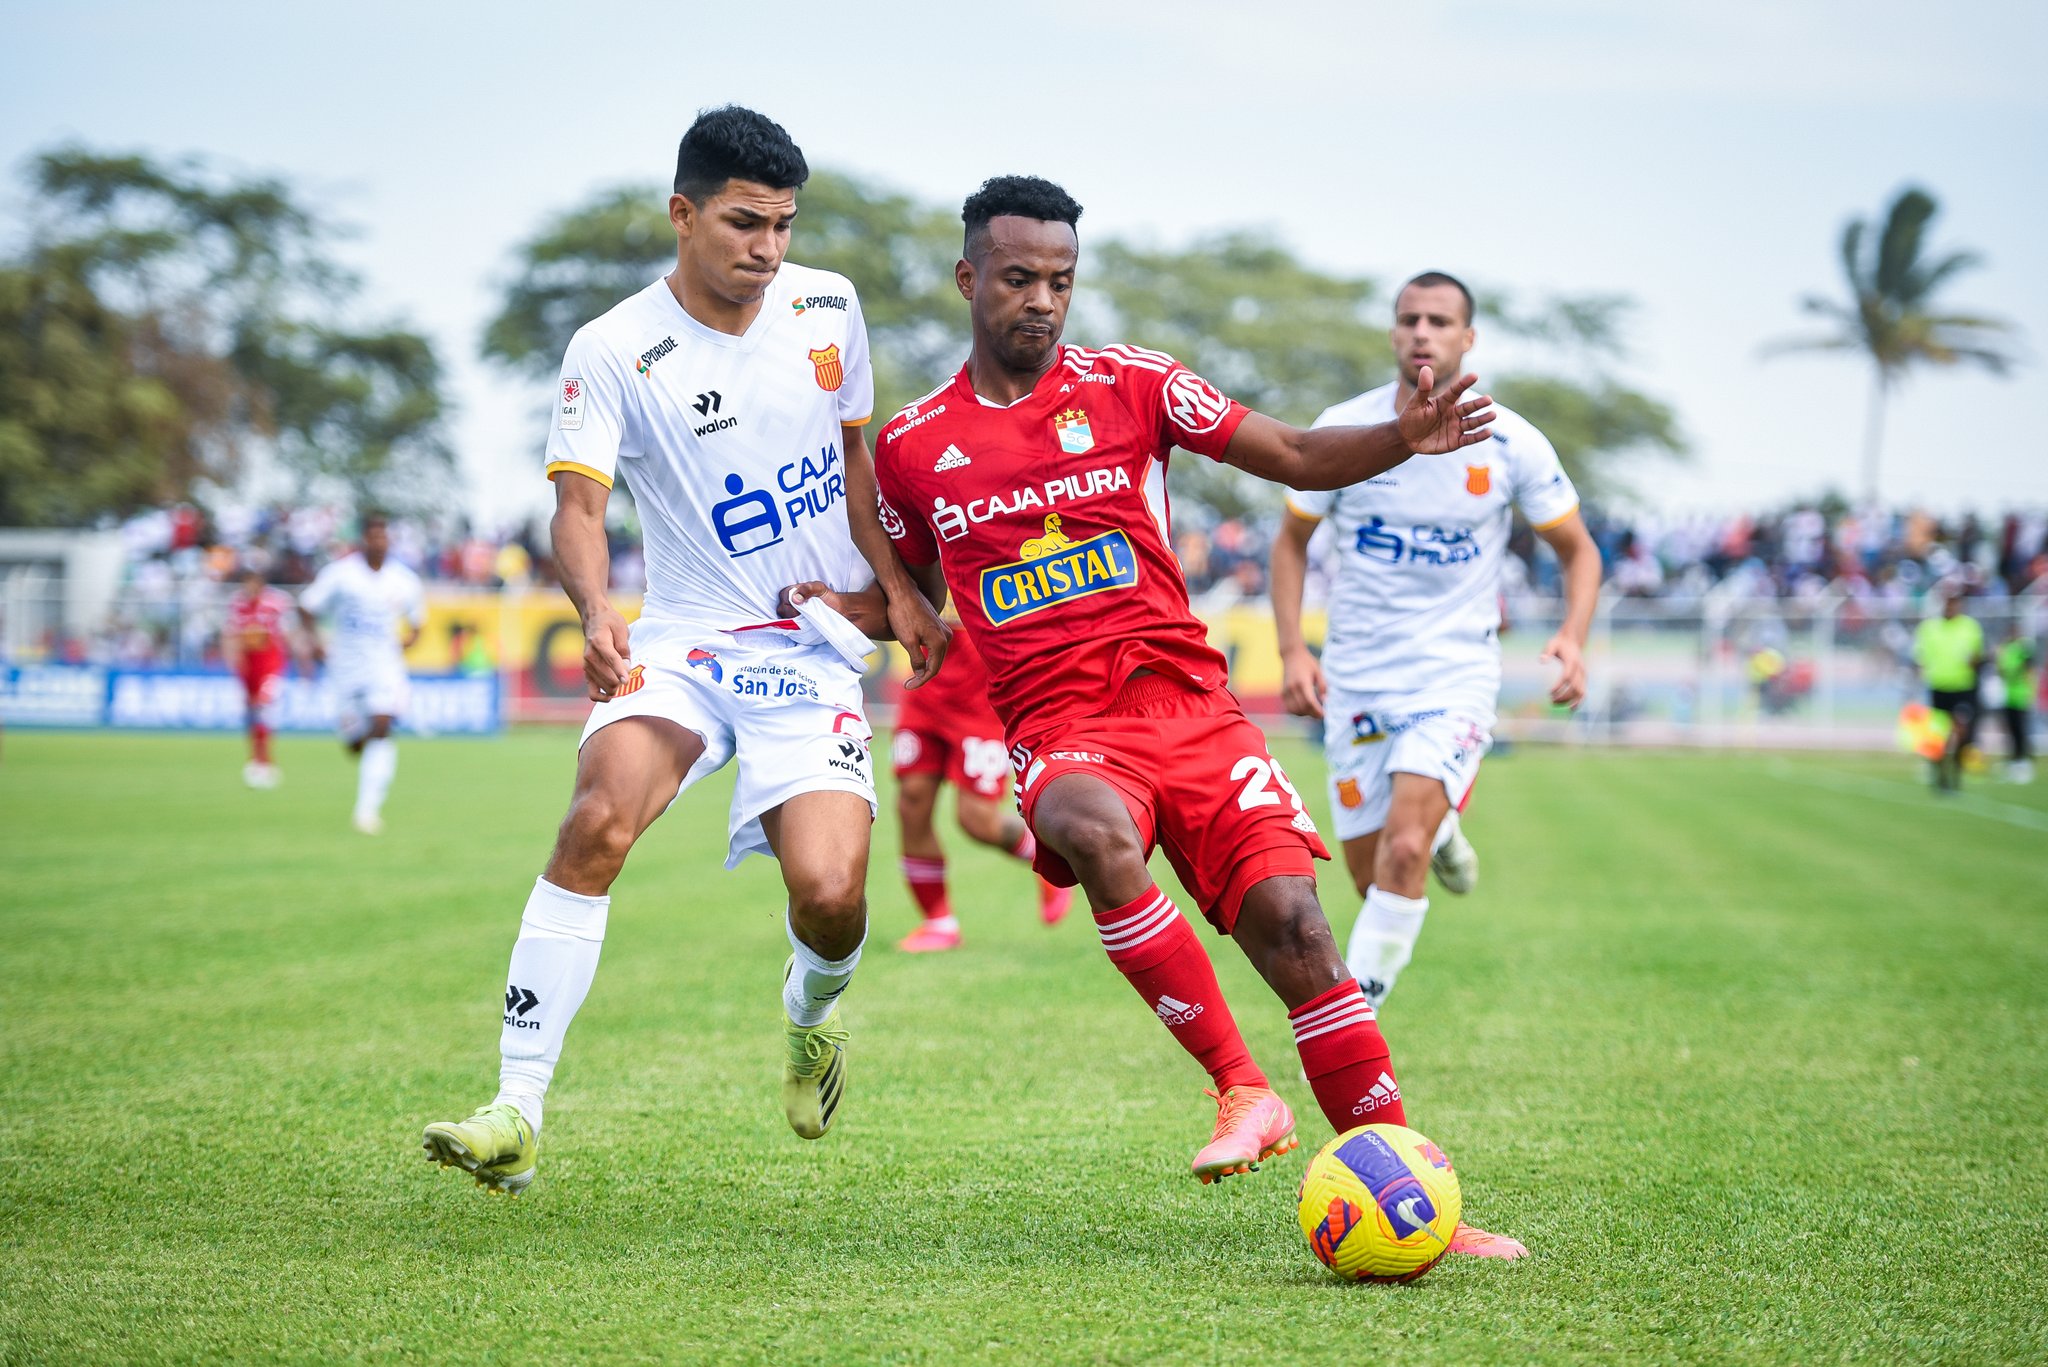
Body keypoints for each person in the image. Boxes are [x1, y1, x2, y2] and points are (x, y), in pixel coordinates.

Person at [871, 175, 1522, 1257]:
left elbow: (1301, 457)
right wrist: (836, 602)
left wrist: (1401, 439)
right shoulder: (910, 444)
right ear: (969, 278)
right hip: (1061, 723)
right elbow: (906, 601)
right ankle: (1240, 1089)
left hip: (1192, 710)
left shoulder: (1135, 383)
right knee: (1085, 829)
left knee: (1299, 932)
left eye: (1061, 280)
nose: (1042, 299)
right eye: (1020, 277)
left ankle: (1416, 1204)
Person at [419, 107, 946, 1195]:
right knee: (595, 817)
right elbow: (576, 505)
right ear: (682, 213)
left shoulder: (828, 306)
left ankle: (810, 1014)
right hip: (685, 641)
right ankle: (516, 1105)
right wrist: (593, 607)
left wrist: (894, 593)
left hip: (808, 653)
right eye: (744, 223)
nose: (767, 249)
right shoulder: (613, 348)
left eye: (784, 226)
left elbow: (854, 469)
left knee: (832, 894)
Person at [1270, 271, 1601, 1008]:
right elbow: (1291, 540)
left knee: (1405, 852)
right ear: (1393, 333)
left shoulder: (1511, 440)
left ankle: (1353, 1031)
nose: (1423, 331)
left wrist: (1574, 637)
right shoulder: (1345, 428)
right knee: (1374, 877)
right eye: (1410, 318)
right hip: (1357, 677)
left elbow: (1579, 549)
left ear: (1468, 338)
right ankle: (1445, 824)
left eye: (1440, 320)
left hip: (1454, 672)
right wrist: (1295, 649)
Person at [892, 620, 1072, 952]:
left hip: (980, 701)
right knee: (911, 800)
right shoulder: (921, 565)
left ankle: (1048, 857)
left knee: (977, 821)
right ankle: (939, 923)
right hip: (925, 688)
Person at [297, 514, 425, 833]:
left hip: (385, 668)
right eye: (373, 536)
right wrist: (315, 643)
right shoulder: (341, 575)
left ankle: (367, 810)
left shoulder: (403, 580)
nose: (379, 542)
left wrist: (405, 642)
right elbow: (306, 607)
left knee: (383, 724)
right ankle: (358, 741)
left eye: (384, 537)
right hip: (345, 669)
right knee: (355, 744)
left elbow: (416, 623)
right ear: (363, 540)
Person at [223, 568, 297, 789]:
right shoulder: (237, 604)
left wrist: (299, 660)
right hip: (248, 666)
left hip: (271, 664)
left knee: (266, 707)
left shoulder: (277, 602)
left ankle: (265, 760)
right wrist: (233, 659)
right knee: (251, 714)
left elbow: (288, 633)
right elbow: (230, 634)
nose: (250, 587)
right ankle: (257, 758)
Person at [1913, 588, 1985, 792]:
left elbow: (1977, 655)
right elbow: (1921, 657)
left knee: (1961, 729)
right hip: (1939, 686)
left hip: (1963, 686)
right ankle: (1939, 771)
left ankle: (1956, 771)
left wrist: (1974, 661)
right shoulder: (1930, 628)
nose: (1952, 607)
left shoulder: (1970, 627)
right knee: (1939, 734)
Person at [1993, 621, 2035, 783]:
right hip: (2008, 695)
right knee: (2011, 729)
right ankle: (2015, 760)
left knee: (2021, 729)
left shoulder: (2023, 648)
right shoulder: (2007, 649)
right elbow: (2002, 670)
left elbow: (2026, 668)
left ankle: (2024, 762)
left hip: (2021, 694)